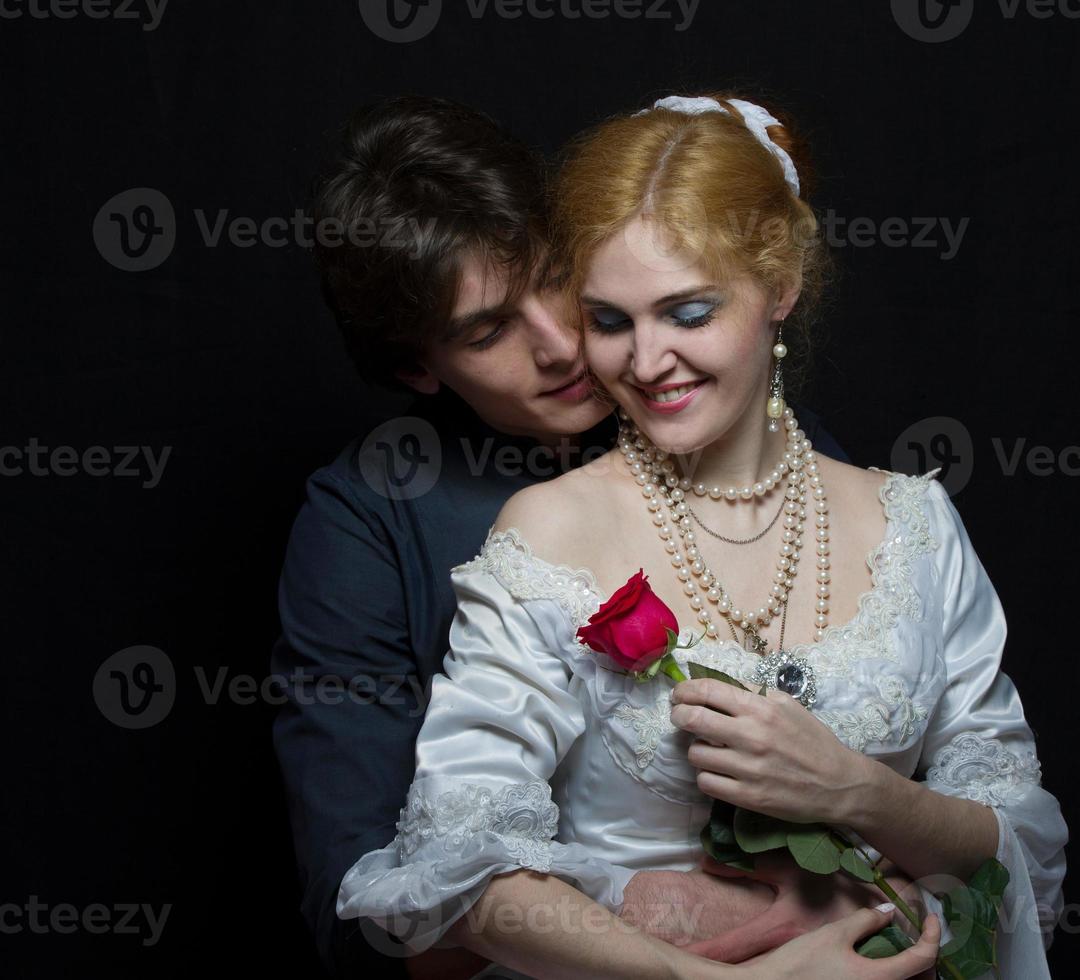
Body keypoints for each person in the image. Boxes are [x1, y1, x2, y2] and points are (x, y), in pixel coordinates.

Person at [332, 90, 1073, 978]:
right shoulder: (542, 528)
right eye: (608, 320)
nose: (643, 365)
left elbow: (1015, 844)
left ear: (781, 287)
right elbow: (458, 867)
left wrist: (860, 791)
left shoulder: (910, 521)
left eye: (687, 313)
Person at [271, 95, 863, 979]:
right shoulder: (364, 515)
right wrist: (638, 910)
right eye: (488, 329)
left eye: (554, 279)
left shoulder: (735, 417)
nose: (559, 346)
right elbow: (356, 904)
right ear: (416, 367)